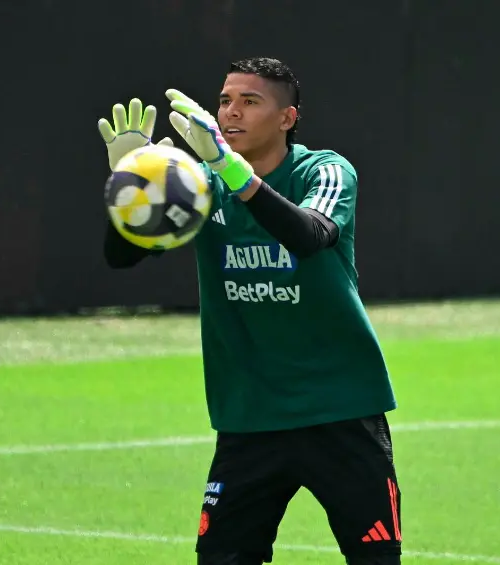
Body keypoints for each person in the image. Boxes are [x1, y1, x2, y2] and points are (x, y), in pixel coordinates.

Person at [97, 56, 402, 565]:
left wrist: (231, 170)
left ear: (288, 118)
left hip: (341, 410)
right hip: (249, 417)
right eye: (224, 101)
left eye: (249, 101)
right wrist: (135, 187)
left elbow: (309, 236)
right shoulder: (203, 183)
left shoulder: (322, 169)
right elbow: (122, 256)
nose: (230, 112)